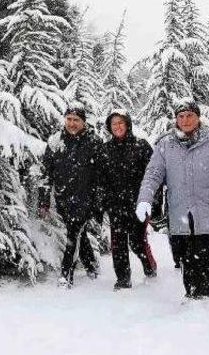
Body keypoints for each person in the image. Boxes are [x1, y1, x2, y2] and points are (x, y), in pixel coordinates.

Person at [136, 99, 209, 300]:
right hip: (179, 207)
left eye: (189, 116)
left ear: (197, 117)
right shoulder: (166, 143)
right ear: (176, 119)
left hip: (207, 205)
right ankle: (189, 291)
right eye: (181, 116)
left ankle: (202, 293)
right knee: (183, 250)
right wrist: (145, 199)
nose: (185, 120)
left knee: (201, 248)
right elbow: (153, 174)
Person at [39, 104, 103, 288]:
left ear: (83, 122)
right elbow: (46, 173)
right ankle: (92, 266)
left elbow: (101, 175)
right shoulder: (55, 142)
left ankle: (65, 276)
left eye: (76, 120)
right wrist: (44, 202)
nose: (72, 123)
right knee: (77, 234)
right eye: (69, 119)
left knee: (73, 234)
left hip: (85, 198)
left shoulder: (93, 142)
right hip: (63, 198)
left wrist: (98, 202)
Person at [101, 110, 157, 291]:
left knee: (137, 241)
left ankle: (149, 267)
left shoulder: (141, 146)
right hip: (115, 205)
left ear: (128, 124)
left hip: (138, 204)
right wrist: (103, 200)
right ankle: (123, 279)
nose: (117, 126)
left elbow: (153, 175)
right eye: (114, 124)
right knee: (117, 244)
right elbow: (101, 179)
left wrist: (153, 201)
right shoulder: (105, 149)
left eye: (120, 123)